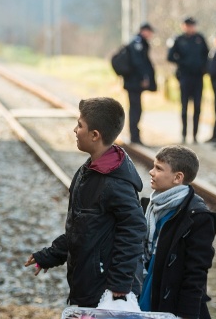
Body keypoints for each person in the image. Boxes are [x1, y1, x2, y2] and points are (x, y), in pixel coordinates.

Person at [25, 97, 146, 308]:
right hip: (88, 281)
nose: (75, 130)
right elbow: (82, 228)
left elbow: (135, 228)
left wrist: (119, 284)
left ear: (95, 135)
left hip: (106, 290)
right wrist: (51, 255)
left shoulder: (114, 182)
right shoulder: (89, 170)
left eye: (80, 125)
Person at [139, 145, 216, 317]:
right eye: (153, 166)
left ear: (177, 177)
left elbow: (195, 274)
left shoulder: (198, 217)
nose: (151, 172)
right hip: (143, 296)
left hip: (171, 306)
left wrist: (186, 315)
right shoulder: (148, 206)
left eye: (158, 168)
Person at [167, 16, 209, 144]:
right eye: (188, 25)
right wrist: (182, 63)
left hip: (197, 77)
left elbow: (207, 55)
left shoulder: (200, 39)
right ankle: (184, 134)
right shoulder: (179, 40)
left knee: (197, 106)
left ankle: (195, 135)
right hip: (185, 76)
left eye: (192, 25)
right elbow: (170, 56)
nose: (190, 28)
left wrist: (203, 68)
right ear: (183, 26)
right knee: (184, 107)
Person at [124, 23, 157, 145]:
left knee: (136, 107)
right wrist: (144, 77)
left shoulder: (140, 43)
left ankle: (135, 134)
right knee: (135, 108)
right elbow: (138, 63)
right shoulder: (138, 44)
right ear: (144, 31)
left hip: (133, 82)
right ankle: (134, 135)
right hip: (134, 82)